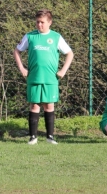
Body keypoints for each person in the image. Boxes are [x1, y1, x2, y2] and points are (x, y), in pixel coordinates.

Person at [14, 9, 74, 145]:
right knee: (34, 105)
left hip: (50, 79)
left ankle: (50, 137)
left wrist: (63, 70)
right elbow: (17, 51)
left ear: (49, 22)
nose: (39, 25)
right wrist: (22, 68)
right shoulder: (30, 36)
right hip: (34, 77)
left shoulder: (56, 37)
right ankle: (33, 137)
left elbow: (70, 53)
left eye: (42, 22)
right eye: (37, 22)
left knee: (49, 105)